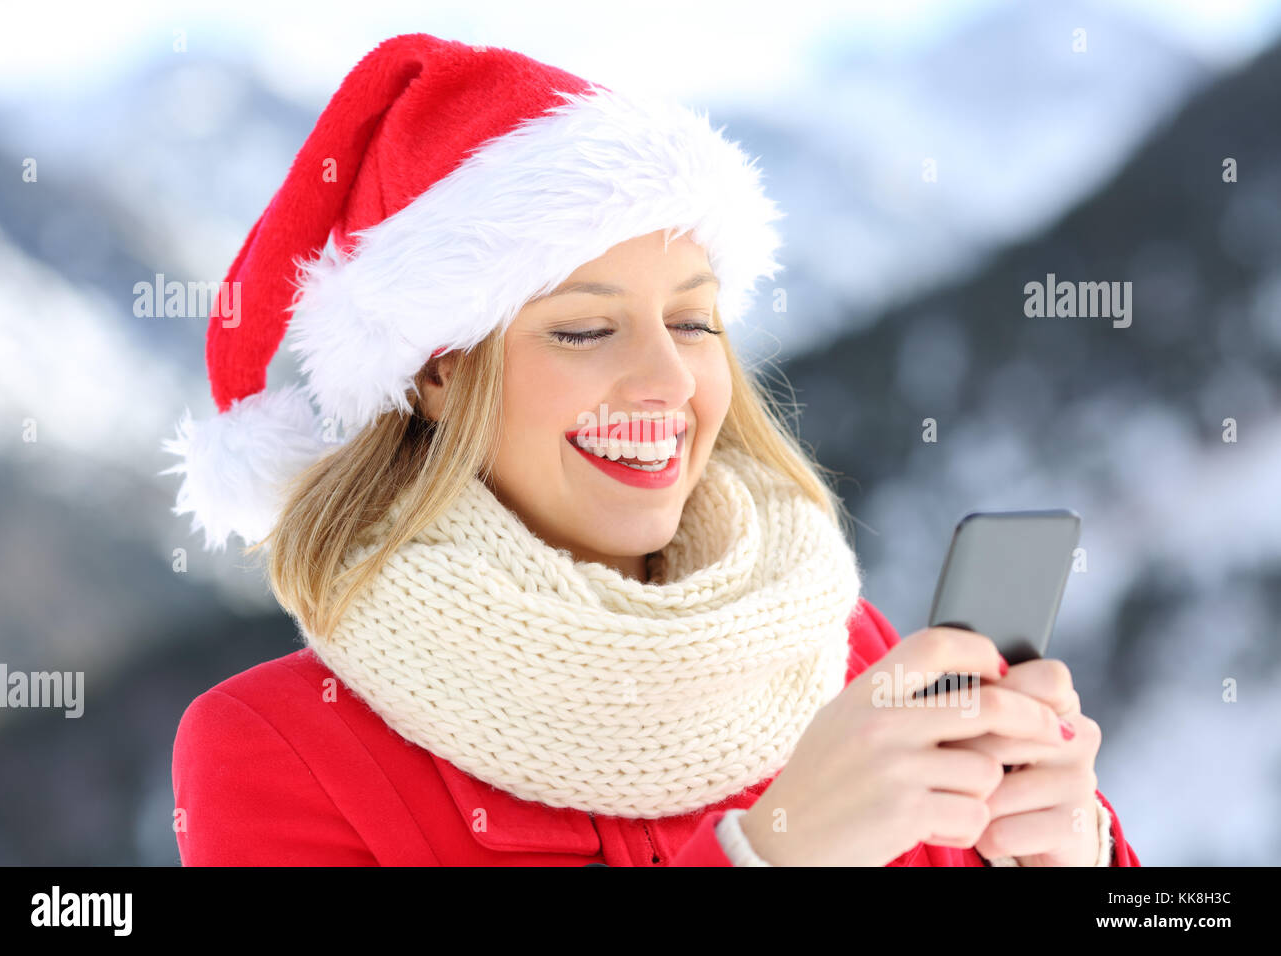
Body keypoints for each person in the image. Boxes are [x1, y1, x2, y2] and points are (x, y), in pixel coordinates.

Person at [162, 33, 1139, 867]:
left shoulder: (848, 653)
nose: (667, 380)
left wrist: (1071, 853)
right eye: (585, 330)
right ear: (435, 373)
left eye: (694, 321)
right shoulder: (277, 747)